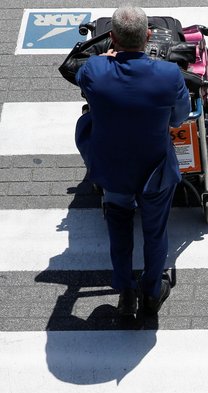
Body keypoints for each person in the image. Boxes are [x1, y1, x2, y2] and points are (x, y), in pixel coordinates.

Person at [75, 5, 191, 318]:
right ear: (148, 35)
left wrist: (105, 60)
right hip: (154, 169)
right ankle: (152, 291)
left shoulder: (95, 70)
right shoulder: (167, 75)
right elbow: (180, 116)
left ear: (112, 38)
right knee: (155, 232)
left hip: (112, 168)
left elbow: (83, 80)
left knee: (119, 226)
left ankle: (125, 291)